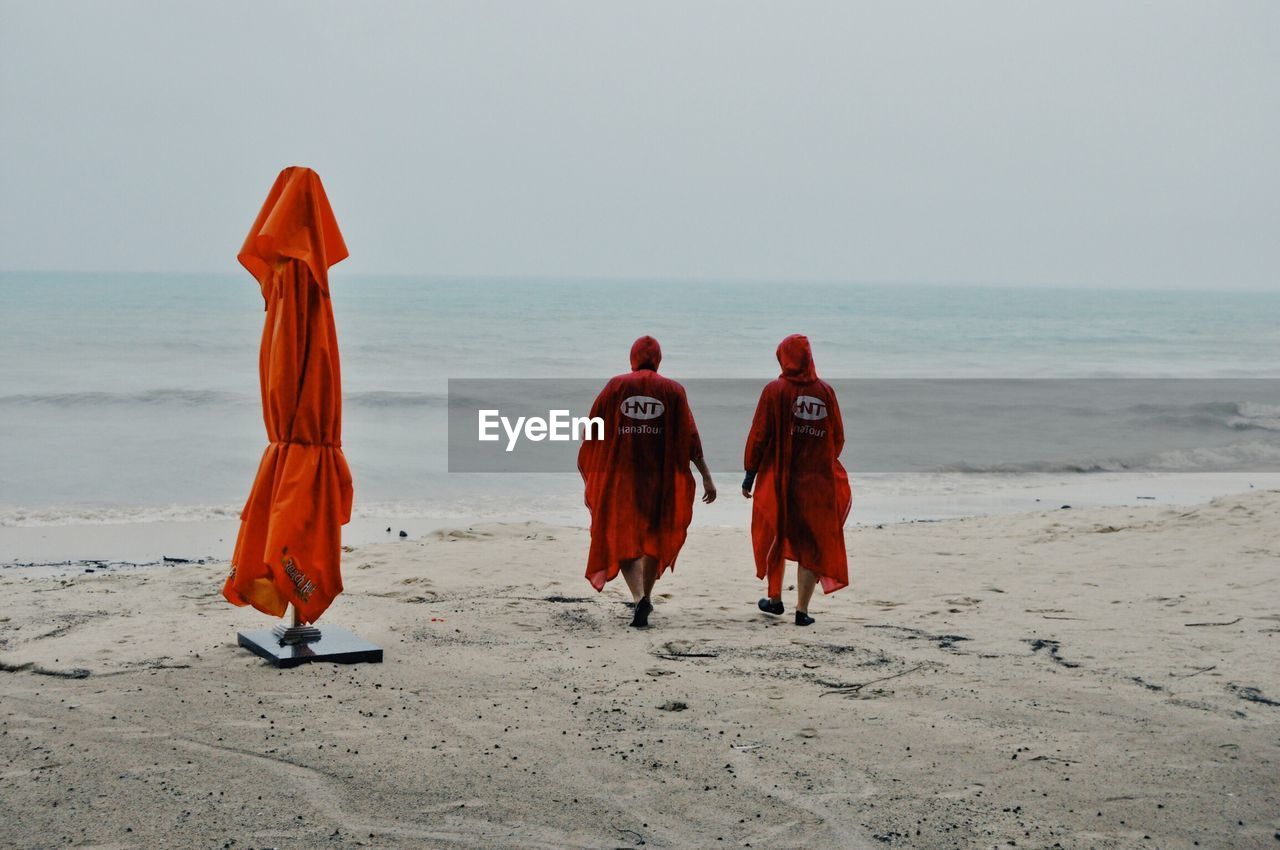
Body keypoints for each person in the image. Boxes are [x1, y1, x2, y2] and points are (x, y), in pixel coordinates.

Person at [578, 336, 716, 627]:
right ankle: (647, 597)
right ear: (658, 358)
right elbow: (690, 437)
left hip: (621, 479)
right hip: (660, 479)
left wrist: (592, 455)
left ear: (633, 356)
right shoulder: (674, 391)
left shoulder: (616, 386)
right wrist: (705, 475)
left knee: (621, 537)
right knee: (655, 536)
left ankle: (639, 596)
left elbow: (592, 428)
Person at [742, 334, 850, 626]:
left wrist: (750, 474)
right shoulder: (826, 392)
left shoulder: (774, 391)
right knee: (810, 544)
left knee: (776, 534)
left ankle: (775, 599)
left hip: (780, 481)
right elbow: (837, 437)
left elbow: (759, 435)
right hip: (817, 483)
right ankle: (802, 610)